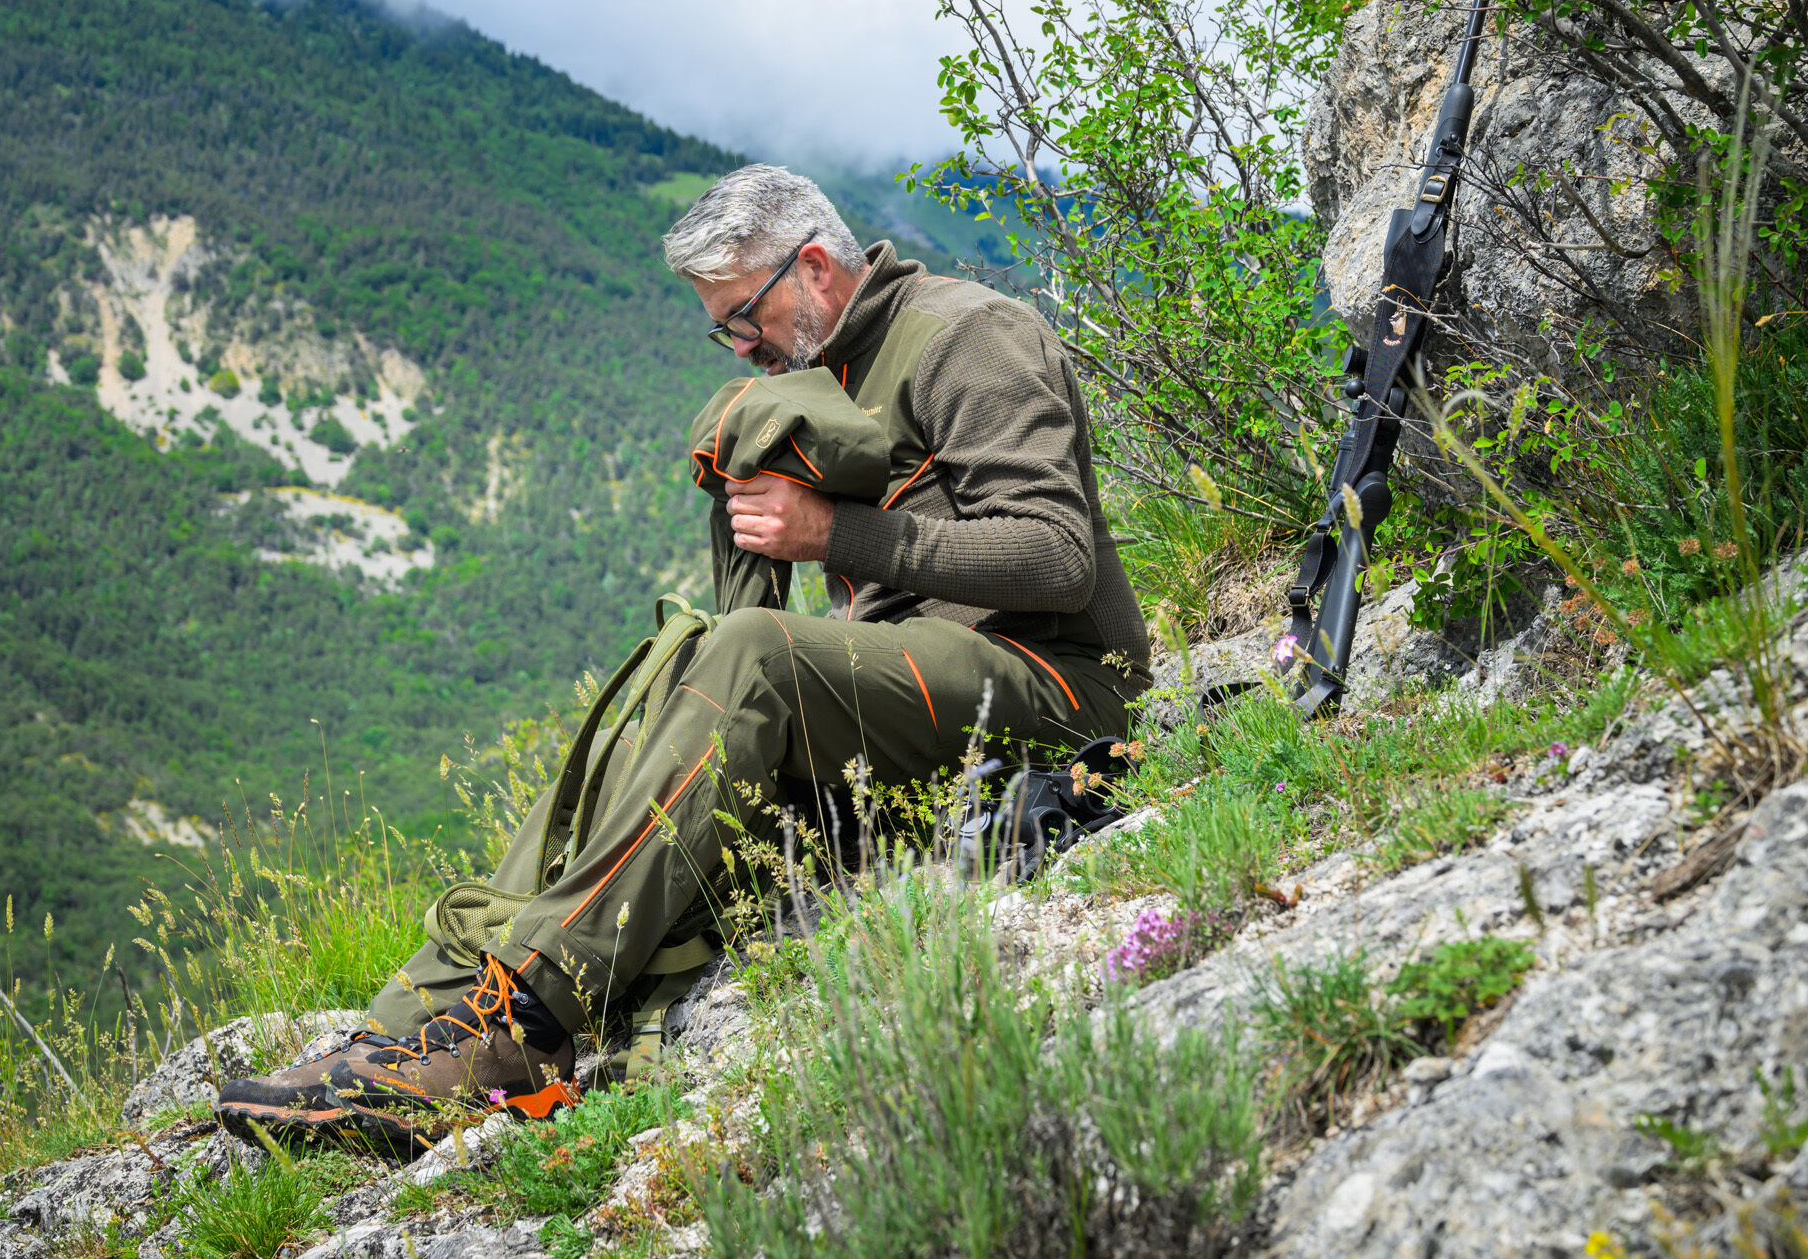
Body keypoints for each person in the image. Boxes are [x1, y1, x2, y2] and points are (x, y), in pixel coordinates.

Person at [217, 164, 1149, 1146]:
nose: (739, 343)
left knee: (747, 646)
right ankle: (396, 1042)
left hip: (1055, 686)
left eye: (743, 314)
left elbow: (1057, 557)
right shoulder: (819, 372)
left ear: (817, 265)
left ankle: (525, 1025)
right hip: (919, 700)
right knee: (664, 686)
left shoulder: (969, 334)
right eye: (723, 328)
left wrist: (831, 533)